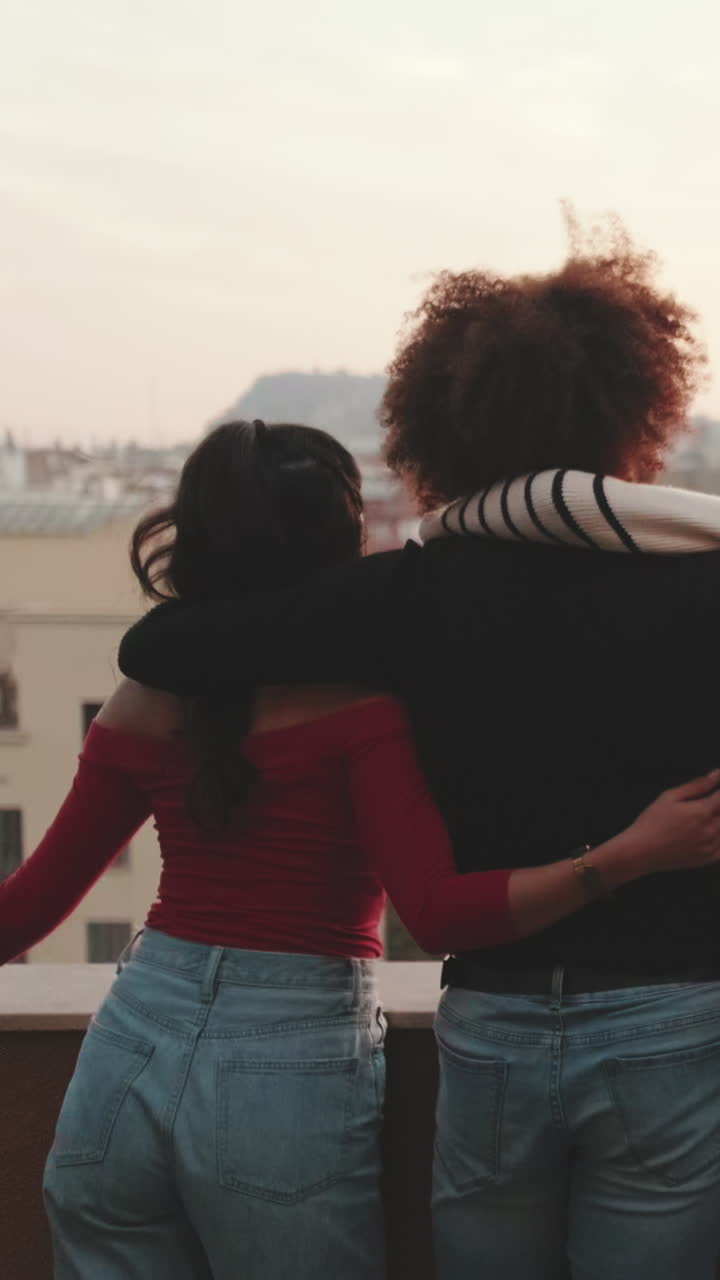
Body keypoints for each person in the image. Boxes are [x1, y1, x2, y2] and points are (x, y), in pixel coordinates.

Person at [119, 223, 720, 1280]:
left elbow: (160, 647)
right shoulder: (701, 576)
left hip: (493, 1024)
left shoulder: (405, 593)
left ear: (443, 423)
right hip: (671, 1016)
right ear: (641, 410)